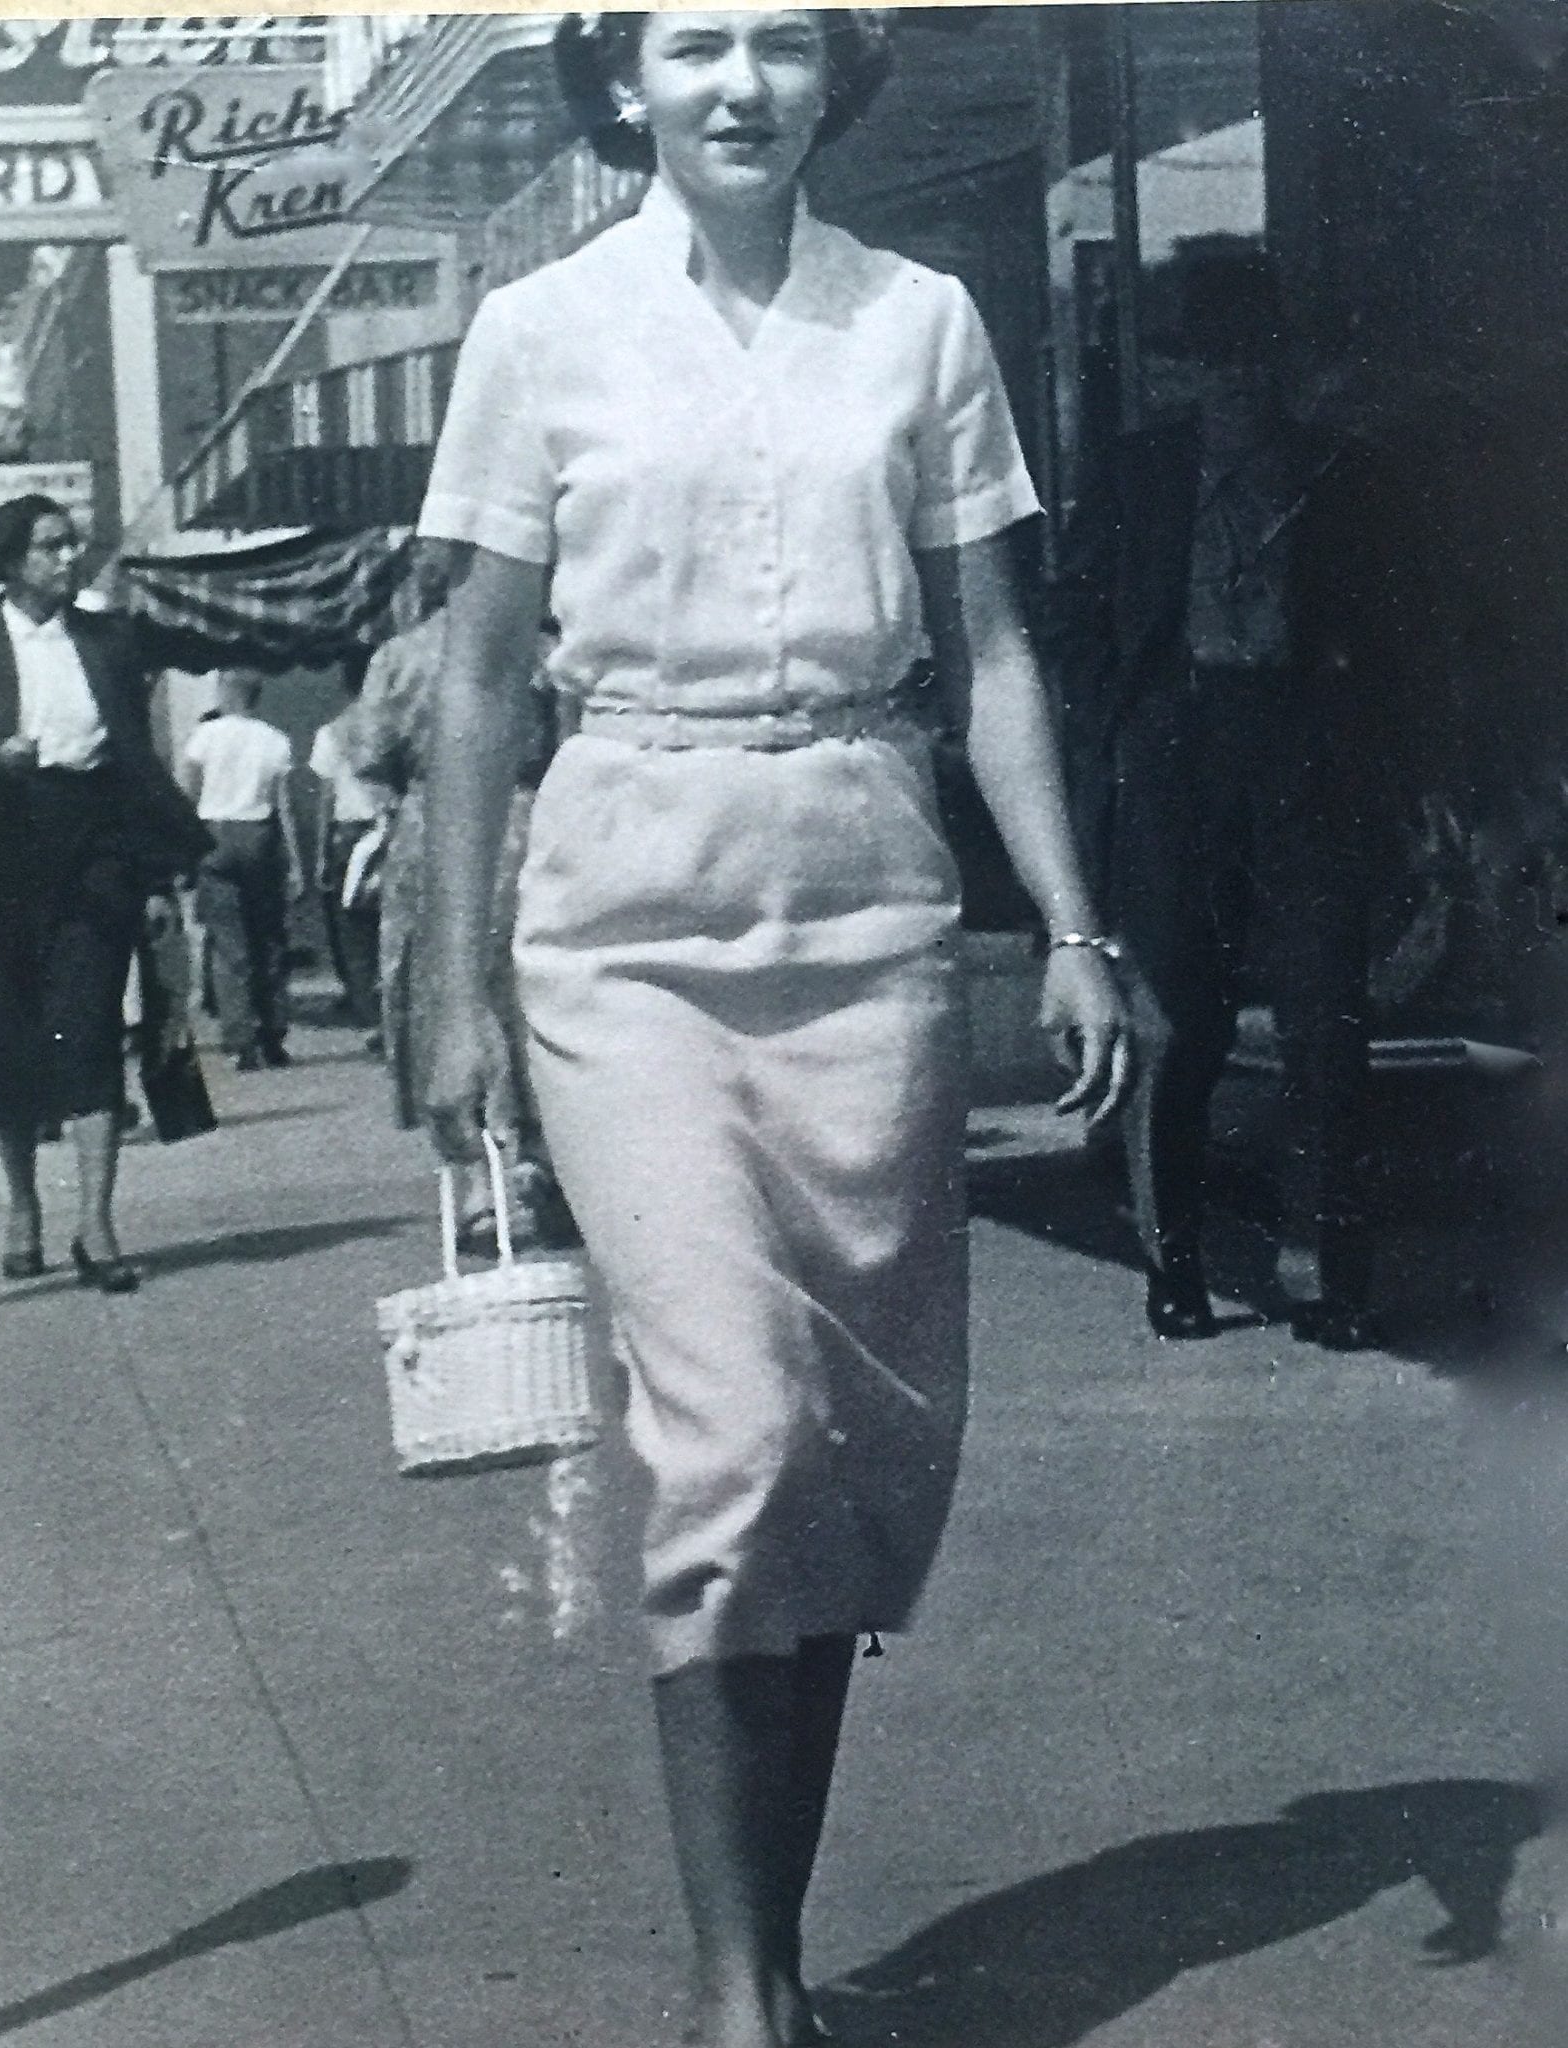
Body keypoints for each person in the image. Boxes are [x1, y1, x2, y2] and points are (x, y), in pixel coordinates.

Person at [417, 16, 1129, 2048]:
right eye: (696, 42)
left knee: (843, 1461)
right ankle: (739, 1999)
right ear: (618, 80)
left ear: (836, 82)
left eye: (785, 44)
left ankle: (782, 1957)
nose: (742, 82)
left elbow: (990, 649)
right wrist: (455, 992)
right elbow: (478, 684)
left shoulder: (917, 318)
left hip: (865, 886)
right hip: (624, 905)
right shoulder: (537, 328)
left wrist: (1071, 924)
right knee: (730, 1437)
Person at [1044, 246, 1379, 1349]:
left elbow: (1392, 636)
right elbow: (1075, 624)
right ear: (1182, 369)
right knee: (1178, 1019)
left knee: (1324, 1016)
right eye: (1212, 359)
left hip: (1300, 754)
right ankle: (1174, 1257)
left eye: (1254, 358)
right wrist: (1117, 740)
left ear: (1281, 365)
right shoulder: (1140, 473)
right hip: (1176, 759)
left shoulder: (1333, 473)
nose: (1234, 379)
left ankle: (1328, 1267)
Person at [0, 494, 209, 1291]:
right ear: (7, 560)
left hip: (93, 849)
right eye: (48, 548)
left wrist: (158, 876)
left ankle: (96, 1227)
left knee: (92, 1028)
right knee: (7, 1041)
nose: (66, 560)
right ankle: (24, 1209)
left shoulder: (107, 639)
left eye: (71, 545)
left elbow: (136, 763)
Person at [347, 550, 567, 1253]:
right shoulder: (543, 654)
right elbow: (567, 744)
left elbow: (371, 753)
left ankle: (477, 1179)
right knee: (536, 993)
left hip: (432, 826)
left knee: (441, 989)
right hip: (532, 821)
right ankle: (542, 1160)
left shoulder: (396, 658)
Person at [181, 670, 305, 1072]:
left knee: (228, 944)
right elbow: (283, 804)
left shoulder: (205, 736)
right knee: (269, 938)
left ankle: (240, 1040)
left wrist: (182, 848)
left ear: (224, 694)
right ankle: (273, 1035)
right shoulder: (275, 739)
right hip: (259, 835)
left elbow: (190, 792)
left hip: (214, 834)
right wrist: (296, 862)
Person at [310, 688, 385, 1040]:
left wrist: (321, 851)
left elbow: (326, 795)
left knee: (351, 928)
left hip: (348, 831)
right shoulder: (387, 724)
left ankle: (368, 1014)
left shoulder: (333, 732)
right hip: (387, 827)